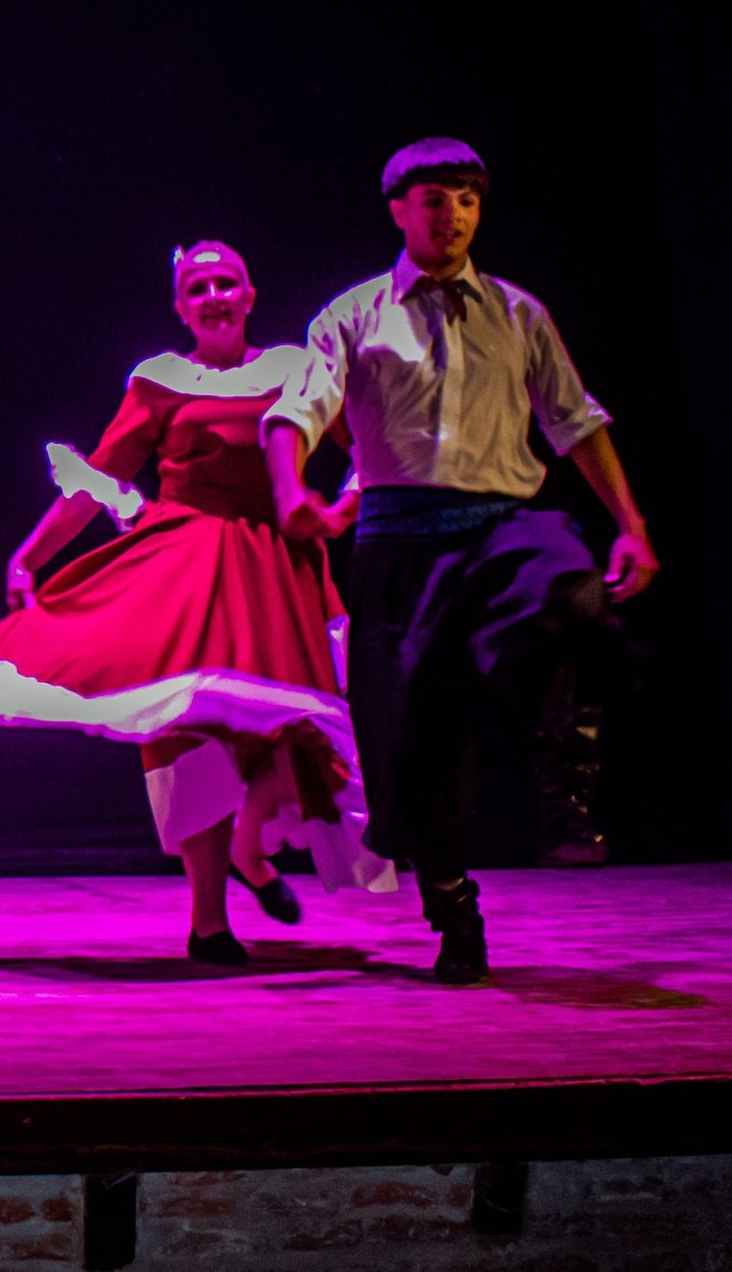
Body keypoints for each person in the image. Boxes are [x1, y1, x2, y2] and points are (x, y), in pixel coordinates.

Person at [0, 243, 389, 964]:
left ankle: (250, 849)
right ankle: (208, 919)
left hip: (276, 565)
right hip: (185, 562)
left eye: (226, 283)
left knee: (295, 725)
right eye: (199, 287)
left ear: (250, 295)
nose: (215, 296)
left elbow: (368, 445)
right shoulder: (160, 378)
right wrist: (31, 554)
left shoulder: (295, 367)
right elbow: (104, 472)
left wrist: (346, 502)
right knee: (185, 729)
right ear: (181, 306)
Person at [263, 139, 655, 983]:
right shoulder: (353, 314)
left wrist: (631, 523)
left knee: (574, 599)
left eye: (468, 200)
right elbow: (296, 411)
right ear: (399, 210)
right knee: (412, 748)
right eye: (436, 199)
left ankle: (567, 794)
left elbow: (576, 421)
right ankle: (452, 907)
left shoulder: (518, 312)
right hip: (399, 543)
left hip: (500, 528)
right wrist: (292, 490)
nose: (454, 215)